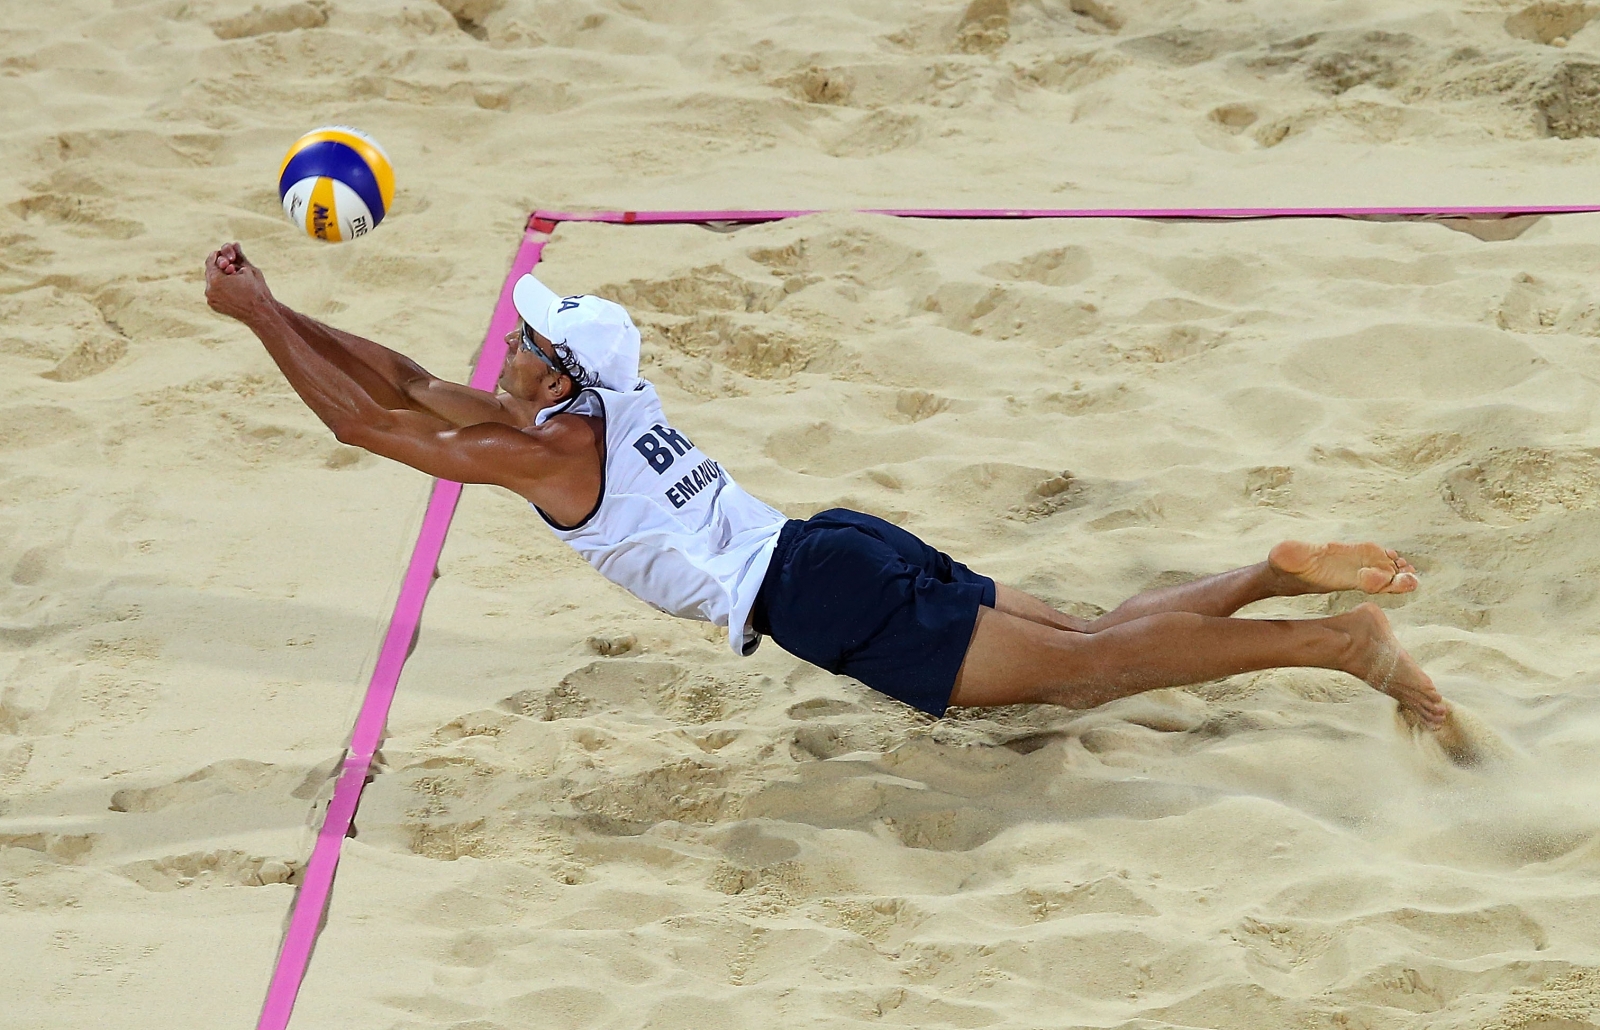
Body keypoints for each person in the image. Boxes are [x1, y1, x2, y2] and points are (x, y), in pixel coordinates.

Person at [203, 242, 1449, 730]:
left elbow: (370, 421)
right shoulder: (590, 409)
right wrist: (282, 299)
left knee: (1095, 668)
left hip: (825, 598)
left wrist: (258, 319)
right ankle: (1270, 574)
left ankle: (1333, 641)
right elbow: (413, 380)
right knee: (1086, 629)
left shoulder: (543, 444)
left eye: (528, 340)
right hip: (838, 541)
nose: (508, 347)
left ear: (558, 377)